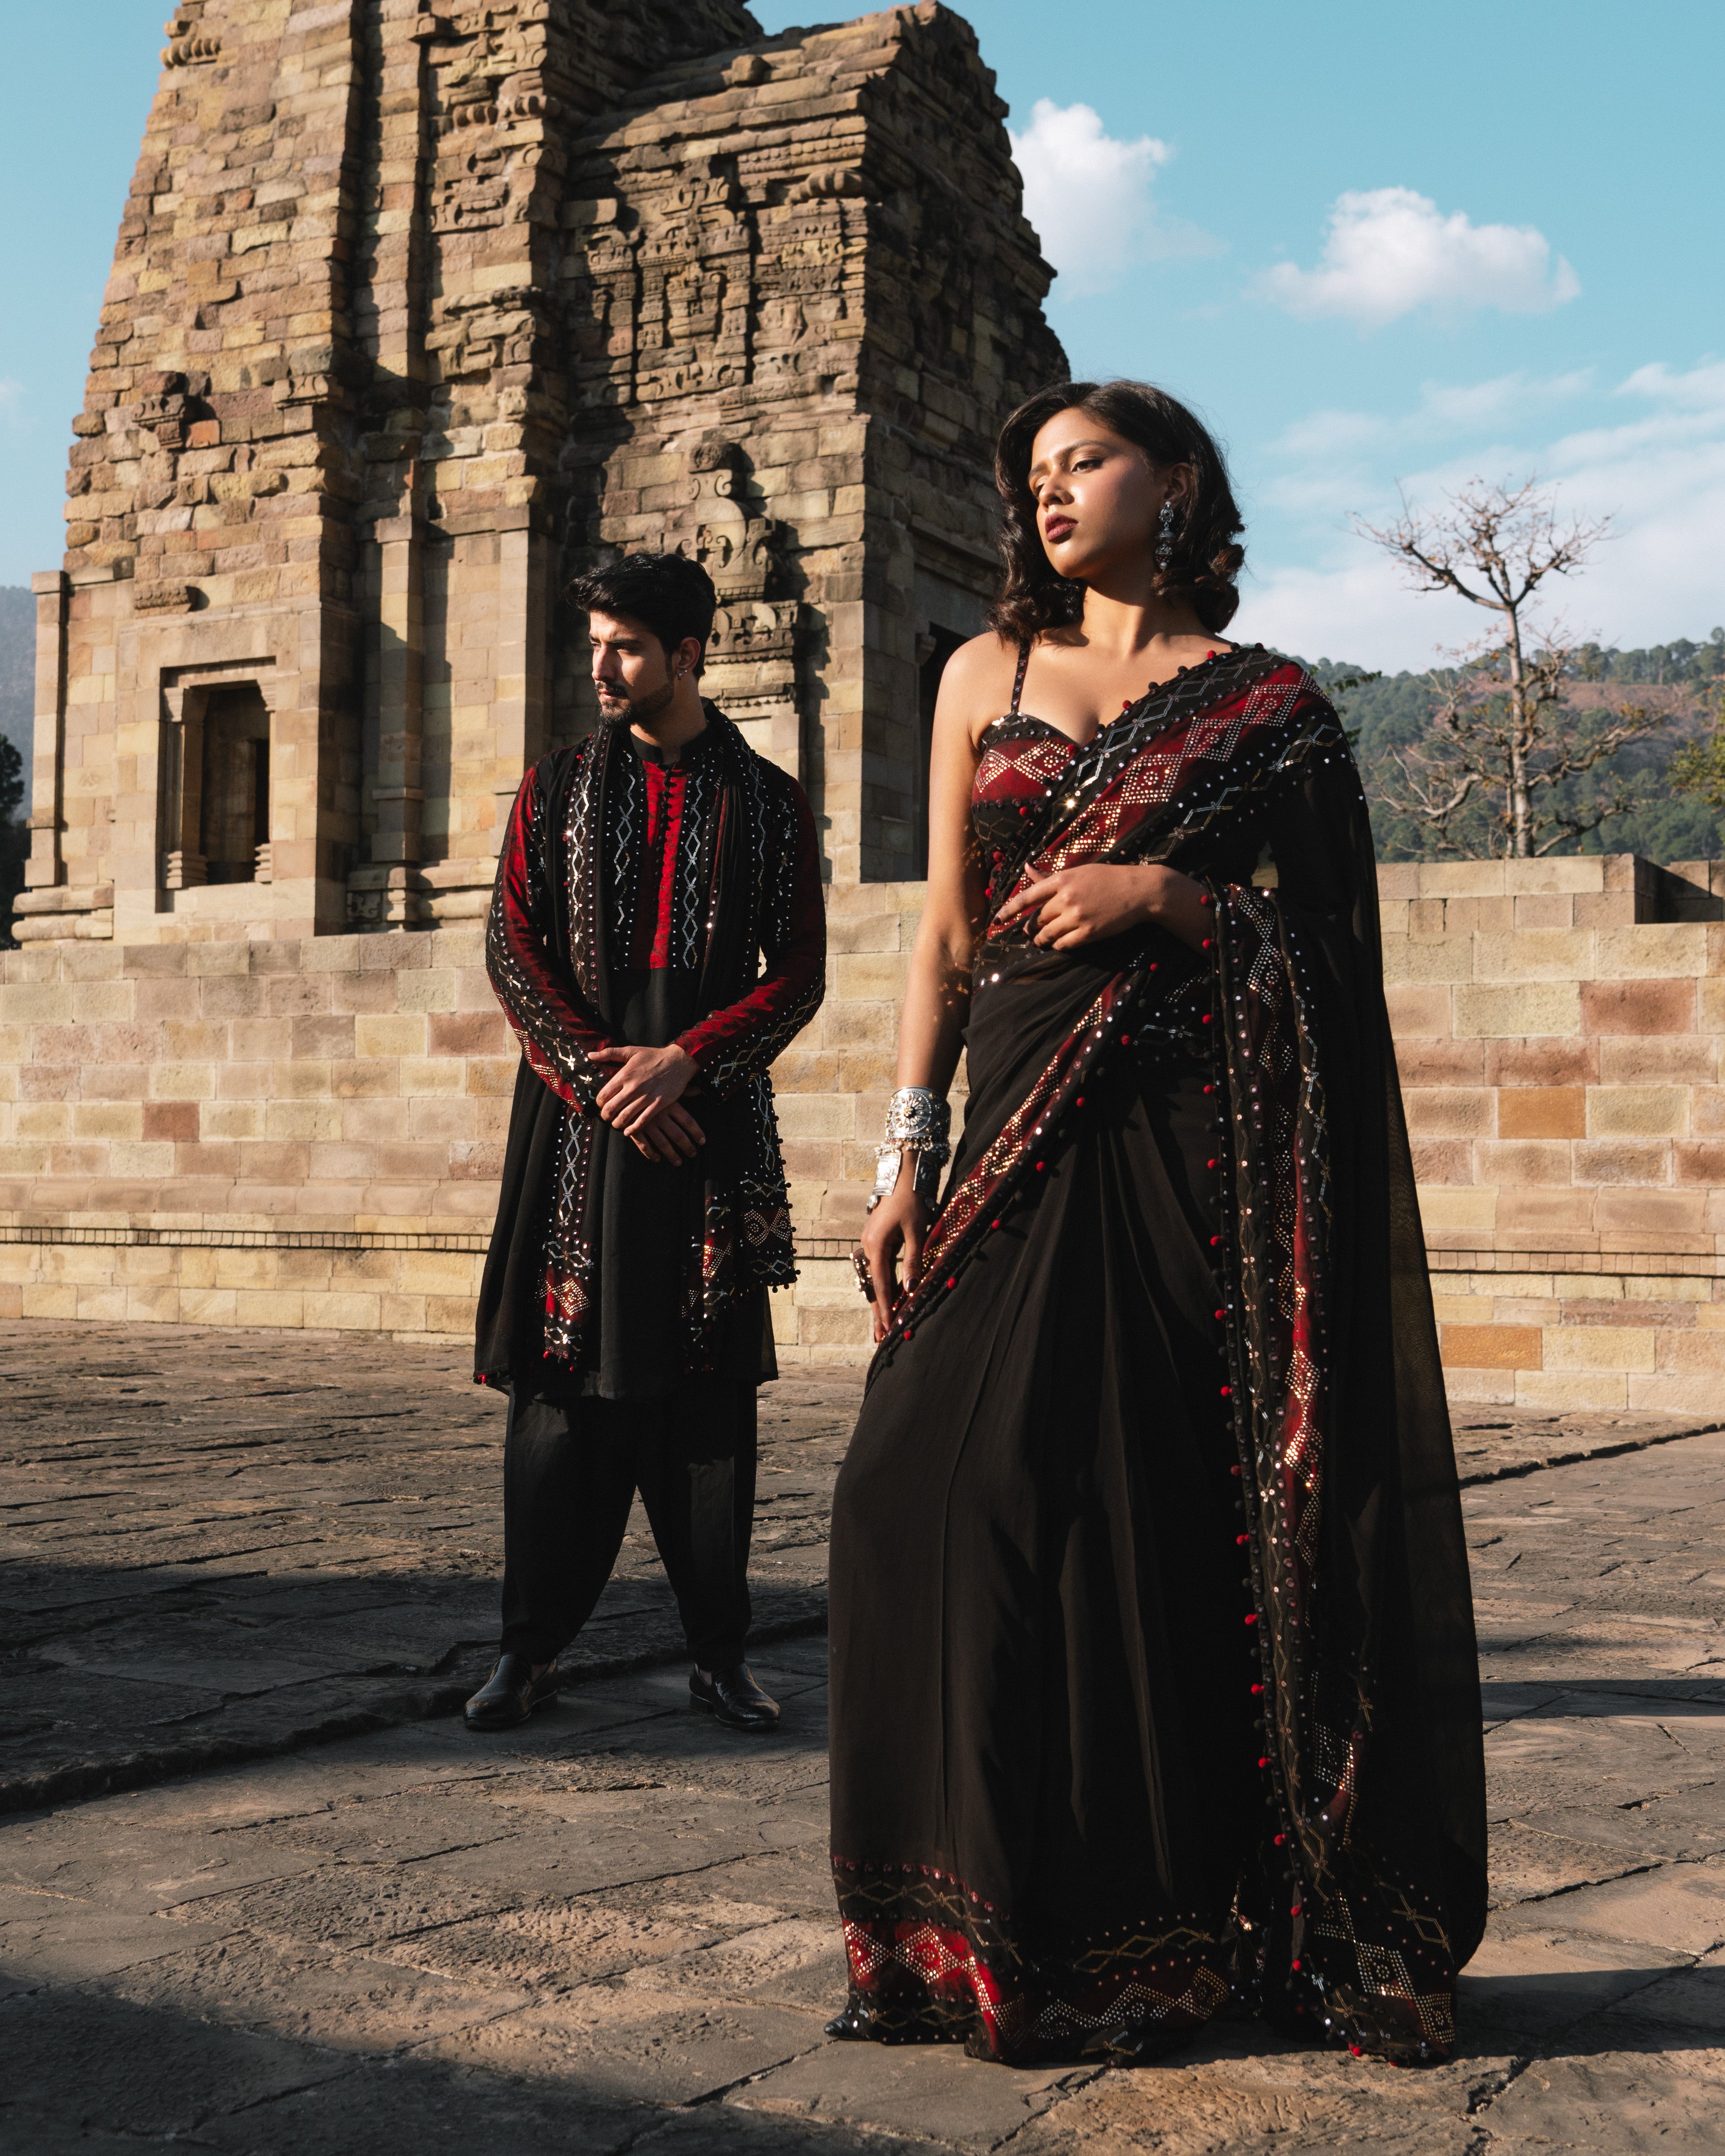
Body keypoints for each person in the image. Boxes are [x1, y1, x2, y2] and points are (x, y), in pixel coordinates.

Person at [825, 382, 1486, 2066]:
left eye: (1086, 463)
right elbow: (940, 938)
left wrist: (1173, 899)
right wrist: (906, 1146)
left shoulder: (1270, 712)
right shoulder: (984, 672)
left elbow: (1332, 959)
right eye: (1031, 473)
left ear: (1174, 481)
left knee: (1147, 1520)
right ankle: (944, 1931)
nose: (1050, 494)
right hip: (1010, 1123)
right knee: (923, 1484)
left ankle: (1157, 1933)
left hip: (1197, 1151)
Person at [466, 552, 825, 1736]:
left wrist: (687, 1063)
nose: (602, 666)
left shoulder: (765, 803)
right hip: (577, 1134)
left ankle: (720, 1656)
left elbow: (799, 976)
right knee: (557, 1396)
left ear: (689, 655)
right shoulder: (555, 787)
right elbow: (513, 947)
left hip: (703, 1134)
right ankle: (527, 1651)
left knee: (709, 1398)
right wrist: (604, 1075)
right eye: (597, 644)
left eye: (626, 646)